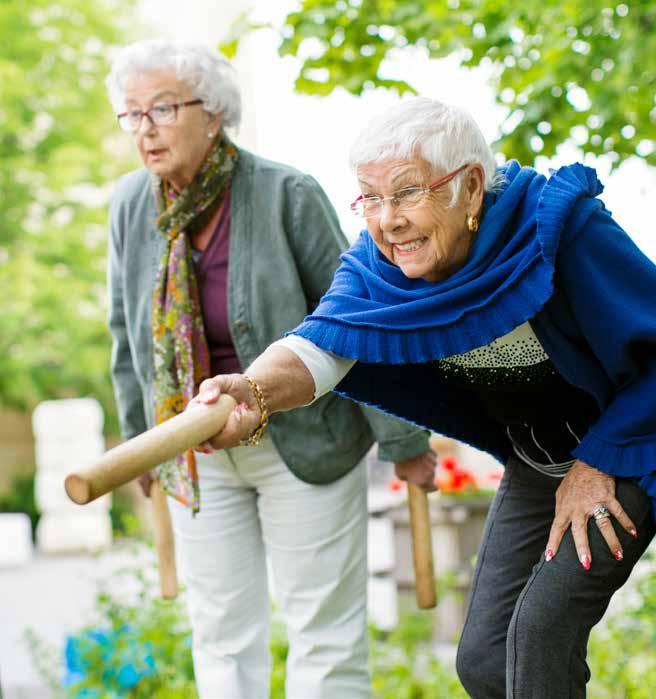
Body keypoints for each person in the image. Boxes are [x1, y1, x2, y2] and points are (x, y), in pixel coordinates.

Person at [195, 97, 656, 699]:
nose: (388, 221)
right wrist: (253, 391)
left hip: (631, 449)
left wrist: (599, 463)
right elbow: (321, 346)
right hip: (537, 463)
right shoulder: (377, 270)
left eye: (408, 193)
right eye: (370, 199)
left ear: (469, 185)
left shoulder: (557, 229)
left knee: (541, 635)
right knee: (485, 662)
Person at [104, 41, 433, 699]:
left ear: (213, 111)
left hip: (305, 438)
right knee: (221, 636)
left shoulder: (287, 193)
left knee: (325, 637)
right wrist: (142, 440)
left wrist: (404, 441)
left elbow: (359, 321)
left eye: (161, 108)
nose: (144, 129)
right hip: (193, 445)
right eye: (131, 114)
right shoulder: (130, 206)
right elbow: (125, 332)